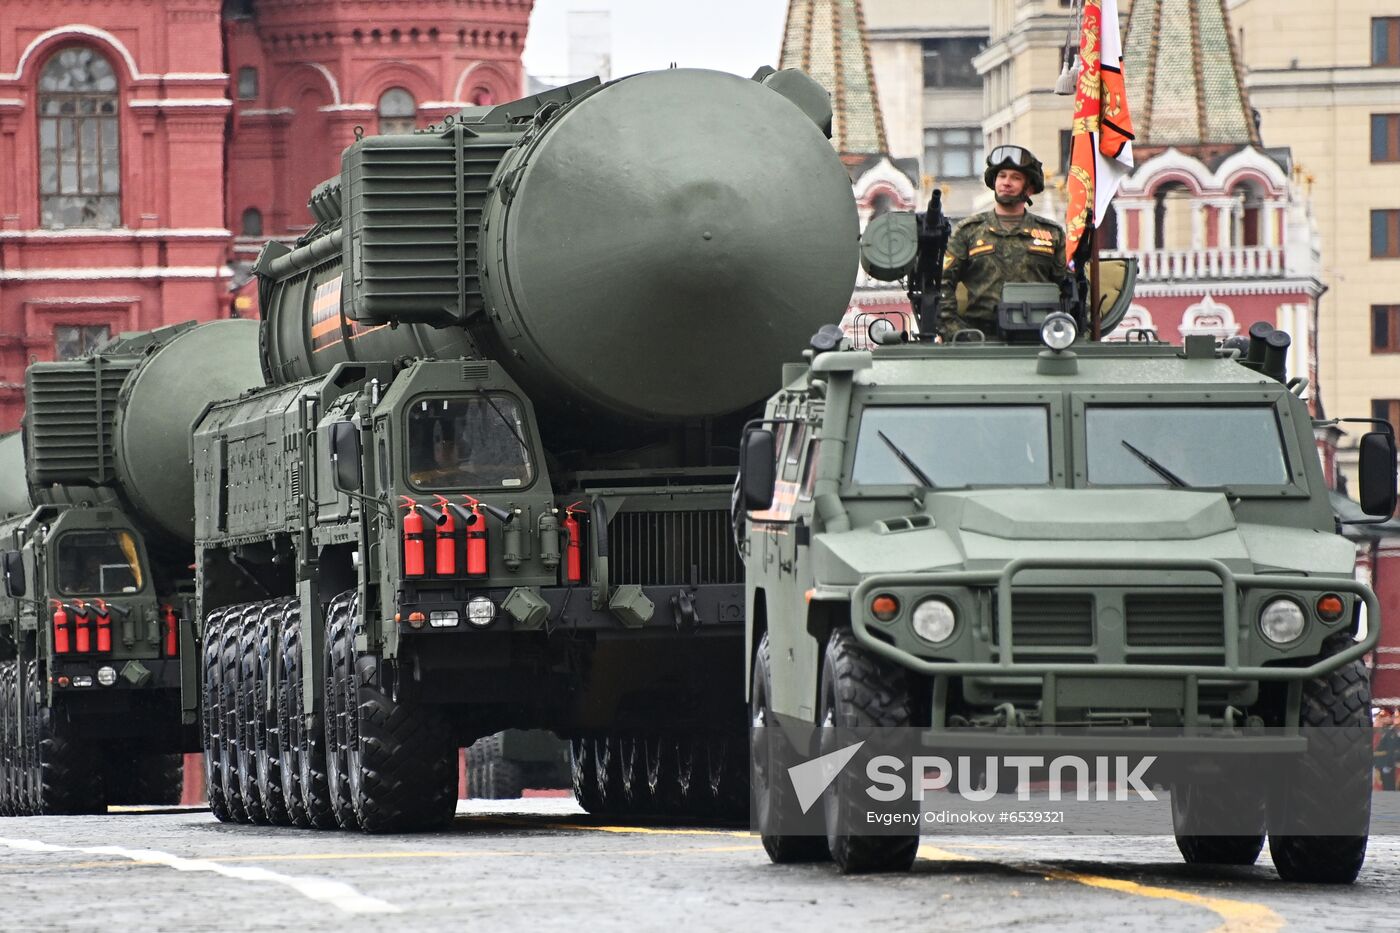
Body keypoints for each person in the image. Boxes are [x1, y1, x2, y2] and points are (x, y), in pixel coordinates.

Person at [936, 145, 1068, 341]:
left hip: (1039, 339)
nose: (1006, 182)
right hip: (980, 340)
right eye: (1002, 176)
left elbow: (1069, 286)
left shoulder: (1051, 233)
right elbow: (941, 283)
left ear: (1030, 188)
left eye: (1015, 178)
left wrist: (1065, 332)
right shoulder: (969, 231)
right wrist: (956, 332)